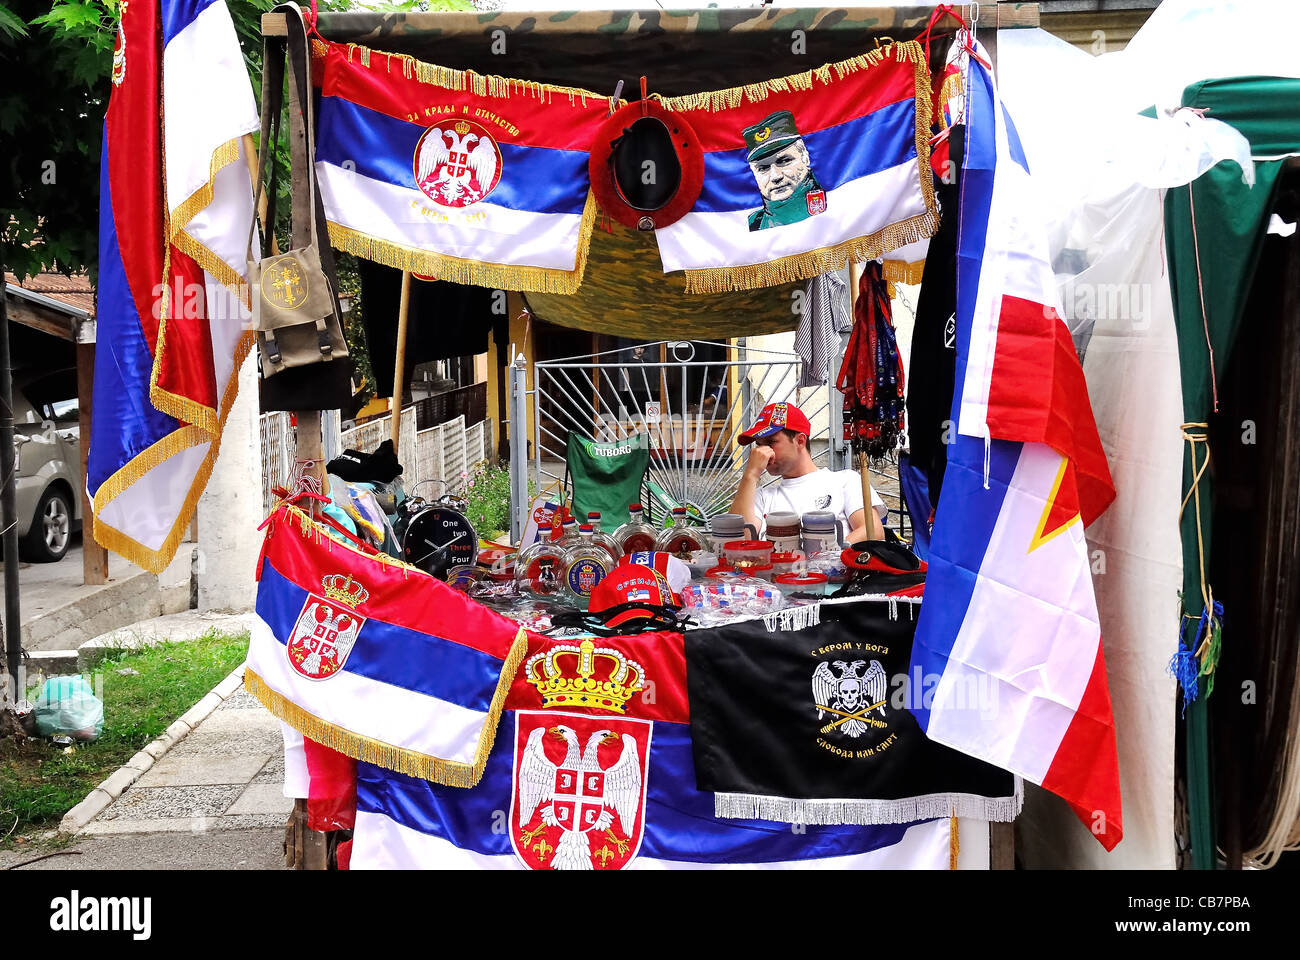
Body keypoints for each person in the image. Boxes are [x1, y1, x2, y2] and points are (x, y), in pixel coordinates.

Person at [729, 402, 885, 543]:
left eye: (771, 442)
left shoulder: (845, 481)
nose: (764, 452)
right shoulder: (761, 497)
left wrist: (825, 558)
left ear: (800, 441)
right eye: (759, 445)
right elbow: (739, 542)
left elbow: (873, 532)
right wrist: (750, 475)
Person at [742, 110, 827, 232]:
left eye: (784, 161)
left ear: (805, 157)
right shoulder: (752, 225)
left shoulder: (836, 203)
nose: (776, 176)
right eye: (763, 168)